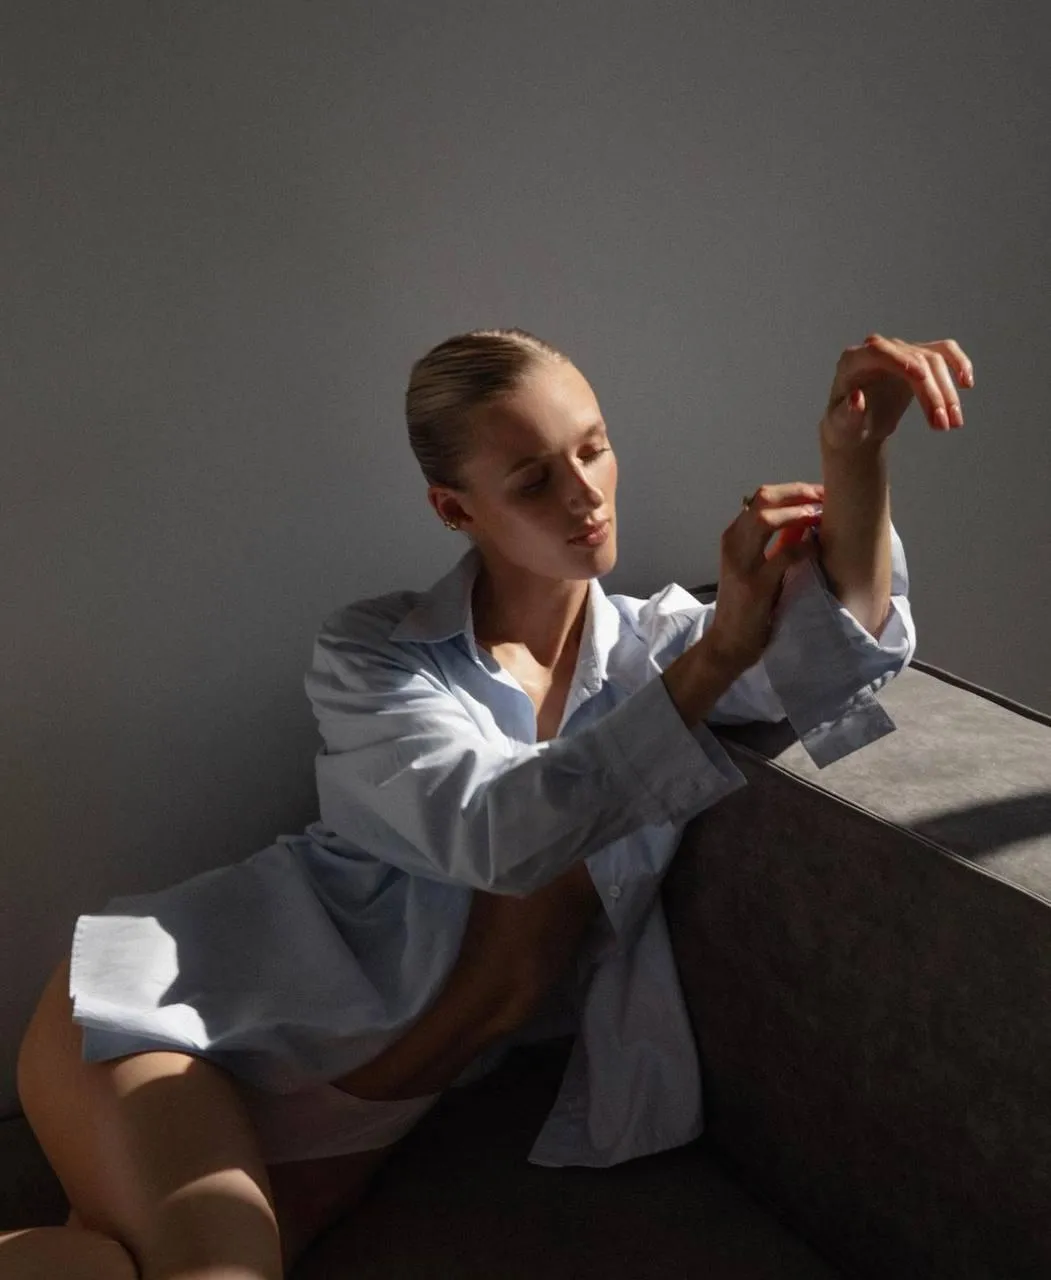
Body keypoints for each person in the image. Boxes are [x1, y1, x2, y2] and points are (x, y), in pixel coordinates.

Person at [3, 326, 972, 1278]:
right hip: (181, 1018)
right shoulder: (377, 656)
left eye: (592, 447)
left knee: (103, 1261)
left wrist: (855, 455)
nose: (584, 492)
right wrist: (715, 661)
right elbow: (499, 833)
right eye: (533, 477)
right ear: (454, 508)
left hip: (362, 1109)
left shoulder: (658, 649)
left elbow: (840, 657)